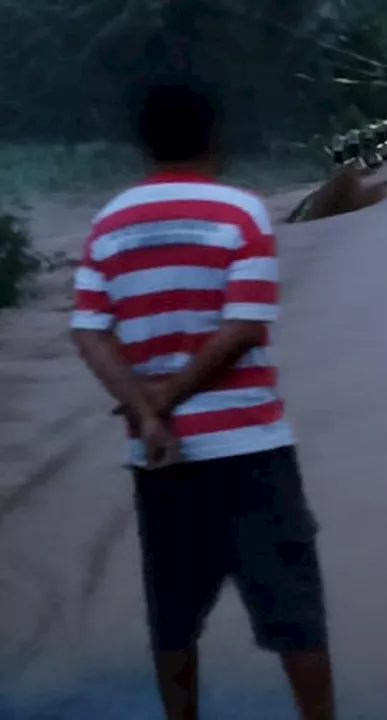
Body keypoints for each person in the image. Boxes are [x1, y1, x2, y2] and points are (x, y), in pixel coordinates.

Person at [70, 79, 336, 720]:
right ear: (214, 136)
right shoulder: (240, 213)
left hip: (161, 460)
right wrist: (167, 395)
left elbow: (88, 329)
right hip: (251, 448)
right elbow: (243, 326)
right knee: (294, 614)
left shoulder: (107, 225)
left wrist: (144, 408)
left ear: (141, 145)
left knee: (174, 619)